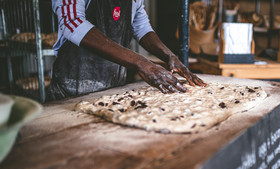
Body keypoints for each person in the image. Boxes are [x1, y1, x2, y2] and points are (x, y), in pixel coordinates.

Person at [47, 0, 206, 101]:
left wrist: (170, 56)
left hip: (114, 86)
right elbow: (73, 22)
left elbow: (141, 27)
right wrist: (142, 63)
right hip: (73, 87)